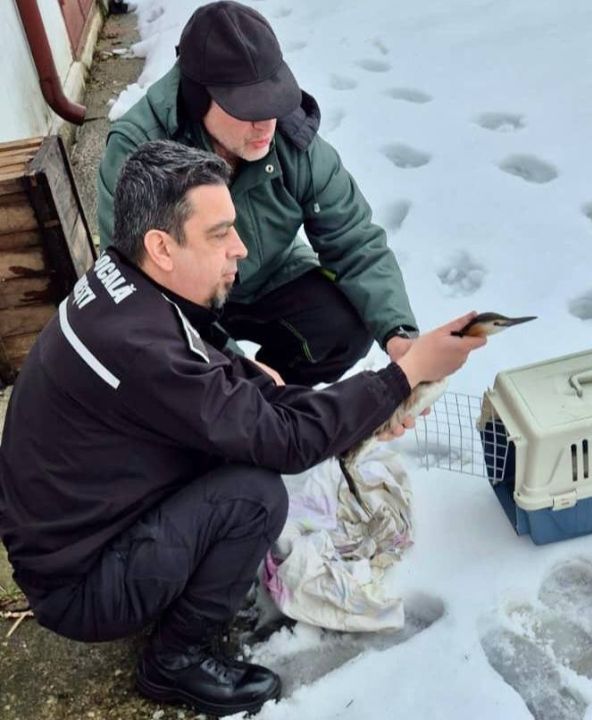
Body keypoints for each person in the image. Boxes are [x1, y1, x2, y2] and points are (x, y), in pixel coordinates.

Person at [0, 140, 484, 716]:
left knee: (245, 429)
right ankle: (175, 660)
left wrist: (359, 414)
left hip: (78, 529)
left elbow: (230, 390)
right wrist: (404, 376)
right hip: (82, 586)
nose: (241, 248)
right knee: (253, 495)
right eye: (218, 233)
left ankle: (170, 589)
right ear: (161, 246)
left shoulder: (122, 283)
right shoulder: (141, 348)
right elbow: (284, 441)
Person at [97, 0, 420, 386]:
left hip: (266, 275)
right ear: (200, 98)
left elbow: (354, 240)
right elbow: (139, 291)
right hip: (183, 299)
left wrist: (401, 335)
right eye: (248, 108)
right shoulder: (139, 153)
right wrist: (238, 368)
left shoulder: (290, 140)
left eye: (272, 102)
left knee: (344, 327)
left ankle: (280, 425)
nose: (265, 124)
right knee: (192, 380)